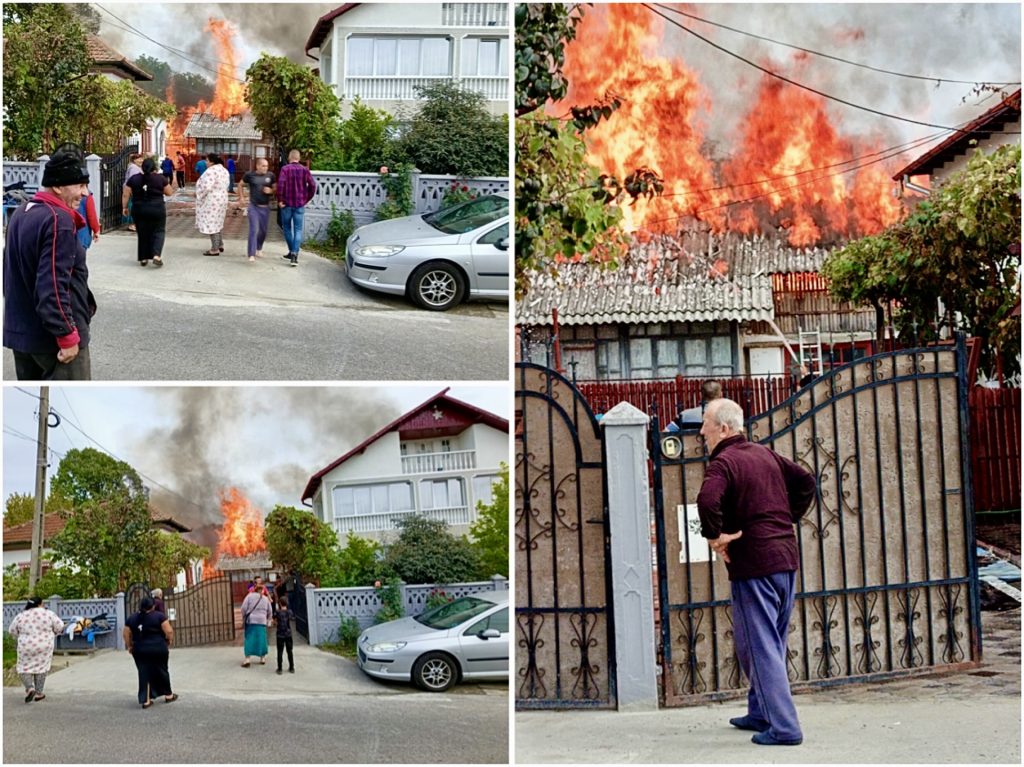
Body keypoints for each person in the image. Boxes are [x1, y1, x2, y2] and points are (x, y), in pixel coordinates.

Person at [695, 398, 816, 747]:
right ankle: (760, 712)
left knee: (758, 646)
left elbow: (706, 501)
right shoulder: (764, 454)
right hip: (784, 559)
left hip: (754, 564)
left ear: (724, 428)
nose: (702, 430)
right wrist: (784, 519)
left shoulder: (724, 462)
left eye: (706, 422)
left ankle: (785, 727)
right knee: (767, 642)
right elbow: (806, 480)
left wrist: (716, 537)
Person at [3, 146, 97, 380]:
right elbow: (53, 285)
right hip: (53, 342)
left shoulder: (21, 212)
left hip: (24, 338)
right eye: (80, 185)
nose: (85, 194)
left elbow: (8, 276)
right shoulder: (59, 220)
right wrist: (67, 335)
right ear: (57, 186)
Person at [123, 596, 177, 708]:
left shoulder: (132, 618)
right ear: (152, 606)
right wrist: (169, 641)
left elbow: (126, 633)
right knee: (162, 670)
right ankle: (168, 695)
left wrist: (129, 646)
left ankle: (146, 701)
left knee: (143, 672)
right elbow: (169, 631)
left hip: (140, 649)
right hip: (158, 647)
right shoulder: (159, 616)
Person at [9, 596, 65, 703]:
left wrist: (21, 635)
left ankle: (30, 688)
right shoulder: (48, 613)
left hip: (26, 646)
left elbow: (12, 630)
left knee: (23, 668)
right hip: (44, 645)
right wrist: (54, 632)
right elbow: (60, 626)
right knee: (41, 668)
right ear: (40, 603)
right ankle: (39, 693)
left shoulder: (21, 615)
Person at [124, 157, 173, 267]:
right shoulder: (160, 178)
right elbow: (169, 192)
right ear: (154, 167)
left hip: (139, 209)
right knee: (159, 231)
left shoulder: (134, 179)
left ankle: (144, 258)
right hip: (157, 209)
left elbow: (126, 194)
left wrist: (124, 207)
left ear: (142, 167)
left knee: (142, 232)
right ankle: (156, 255)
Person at [276, 149, 317, 267]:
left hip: (286, 204)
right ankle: (294, 254)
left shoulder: (285, 169)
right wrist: (306, 199)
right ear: (298, 158)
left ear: (289, 157)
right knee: (298, 229)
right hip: (299, 204)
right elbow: (313, 185)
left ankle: (292, 252)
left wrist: (280, 200)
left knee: (287, 228)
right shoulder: (305, 170)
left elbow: (280, 186)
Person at [240, 157, 275, 262]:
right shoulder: (250, 175)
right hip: (253, 206)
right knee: (254, 229)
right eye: (263, 166)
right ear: (258, 166)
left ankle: (259, 248)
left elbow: (275, 189)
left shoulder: (271, 176)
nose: (265, 168)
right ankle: (251, 254)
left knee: (263, 231)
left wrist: (271, 191)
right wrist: (241, 197)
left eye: (267, 166)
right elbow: (240, 185)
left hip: (265, 207)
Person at [195, 153, 230, 256]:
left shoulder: (211, 171)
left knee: (211, 222)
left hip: (212, 200)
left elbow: (206, 186)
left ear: (211, 161)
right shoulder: (224, 170)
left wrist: (197, 194)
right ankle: (220, 244)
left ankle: (215, 249)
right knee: (218, 222)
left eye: (207, 160)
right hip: (222, 198)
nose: (206, 163)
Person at [240, 577, 273, 667]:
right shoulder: (265, 599)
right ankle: (262, 658)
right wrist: (268, 620)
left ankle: (247, 659)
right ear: (262, 590)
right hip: (262, 621)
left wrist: (244, 616)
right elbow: (270, 611)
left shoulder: (249, 596)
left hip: (251, 621)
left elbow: (243, 608)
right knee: (262, 639)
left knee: (249, 639)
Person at [274, 595, 295, 675]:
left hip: (280, 634)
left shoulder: (277, 612)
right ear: (287, 603)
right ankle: (291, 667)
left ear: (279, 603)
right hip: (288, 634)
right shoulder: (289, 612)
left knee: (280, 651)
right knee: (289, 651)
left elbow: (274, 620)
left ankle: (279, 669)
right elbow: (292, 618)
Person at [124, 152, 143, 232]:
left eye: (141, 158)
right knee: (132, 206)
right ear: (134, 160)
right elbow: (132, 180)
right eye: (139, 159)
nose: (141, 160)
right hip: (132, 190)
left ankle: (134, 224)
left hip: (135, 190)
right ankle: (132, 224)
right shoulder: (133, 168)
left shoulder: (136, 167)